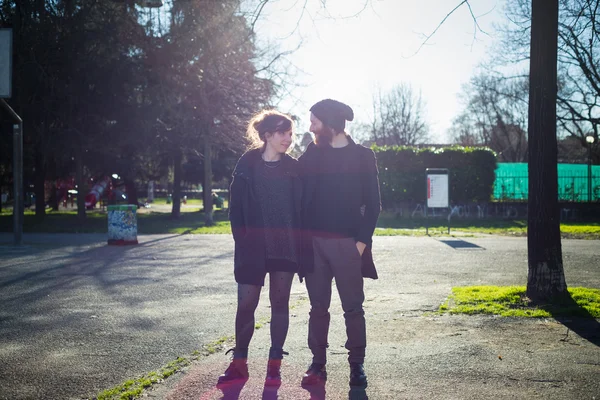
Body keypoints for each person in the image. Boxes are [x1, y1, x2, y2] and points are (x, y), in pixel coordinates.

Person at [299, 99, 381, 388]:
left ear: (330, 123)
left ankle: (356, 365)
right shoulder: (312, 153)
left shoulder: (362, 156)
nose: (310, 127)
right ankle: (317, 364)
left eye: (315, 121)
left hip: (348, 245)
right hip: (315, 246)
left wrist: (361, 243)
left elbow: (373, 204)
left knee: (353, 309)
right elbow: (293, 184)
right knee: (318, 307)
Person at [218, 110, 302, 387]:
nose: (288, 139)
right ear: (267, 135)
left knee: (279, 304)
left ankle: (274, 366)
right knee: (246, 305)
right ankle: (239, 363)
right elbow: (235, 209)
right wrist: (241, 241)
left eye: (290, 133)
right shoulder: (247, 164)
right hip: (252, 248)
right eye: (283, 133)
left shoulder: (293, 167)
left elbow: (303, 206)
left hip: (285, 246)